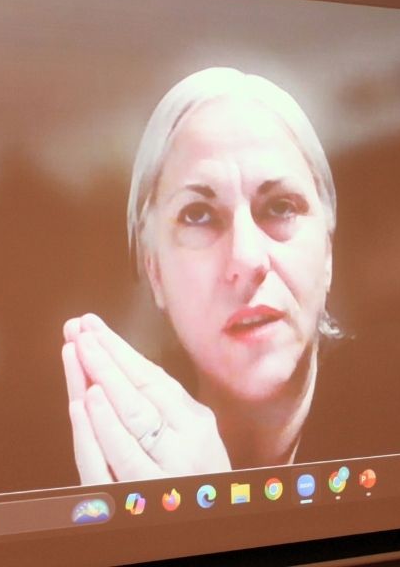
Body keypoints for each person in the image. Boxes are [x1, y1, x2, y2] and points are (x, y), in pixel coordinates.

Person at [61, 67, 342, 484]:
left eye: (280, 207)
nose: (247, 259)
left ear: (328, 252)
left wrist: (210, 509)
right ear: (155, 272)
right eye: (198, 215)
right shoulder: (93, 452)